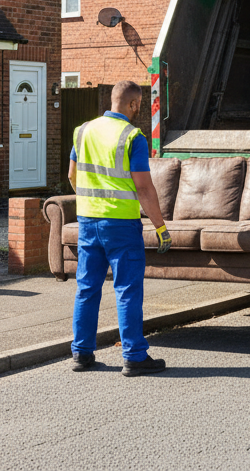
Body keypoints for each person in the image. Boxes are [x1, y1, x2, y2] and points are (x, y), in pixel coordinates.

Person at [68, 80, 172, 375]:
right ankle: (134, 356)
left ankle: (81, 353)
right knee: (127, 289)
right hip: (122, 226)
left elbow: (72, 176)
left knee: (87, 288)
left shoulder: (83, 131)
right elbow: (144, 188)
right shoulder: (133, 137)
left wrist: (90, 203)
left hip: (87, 222)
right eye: (139, 105)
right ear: (133, 104)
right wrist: (161, 228)